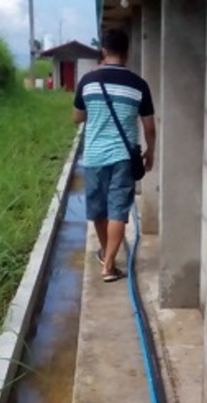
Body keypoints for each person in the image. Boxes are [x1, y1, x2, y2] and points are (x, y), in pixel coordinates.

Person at [72, 29, 156, 282]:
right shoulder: (139, 85)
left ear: (103, 51)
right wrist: (151, 151)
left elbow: (77, 117)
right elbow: (149, 127)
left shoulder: (88, 82)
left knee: (99, 210)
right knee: (118, 210)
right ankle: (108, 265)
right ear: (127, 52)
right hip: (124, 157)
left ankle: (106, 253)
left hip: (94, 157)